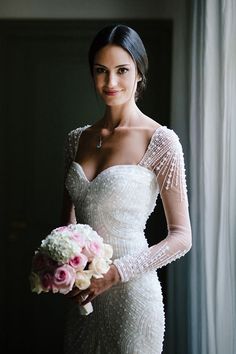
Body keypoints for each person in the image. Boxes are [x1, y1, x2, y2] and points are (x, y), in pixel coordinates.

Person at [61, 24, 192, 354]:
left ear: (138, 73)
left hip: (132, 294)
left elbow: (181, 237)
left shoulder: (160, 141)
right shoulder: (77, 140)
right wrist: (65, 266)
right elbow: (67, 225)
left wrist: (116, 274)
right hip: (85, 296)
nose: (110, 83)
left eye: (122, 70)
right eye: (101, 71)